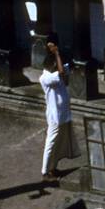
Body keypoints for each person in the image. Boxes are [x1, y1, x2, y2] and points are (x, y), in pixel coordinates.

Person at [39, 41, 78, 186]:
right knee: (51, 142)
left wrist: (56, 51)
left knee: (59, 142)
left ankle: (53, 168)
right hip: (55, 116)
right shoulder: (46, 77)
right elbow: (62, 72)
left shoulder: (55, 73)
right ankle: (45, 171)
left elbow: (69, 68)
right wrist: (56, 54)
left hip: (63, 113)